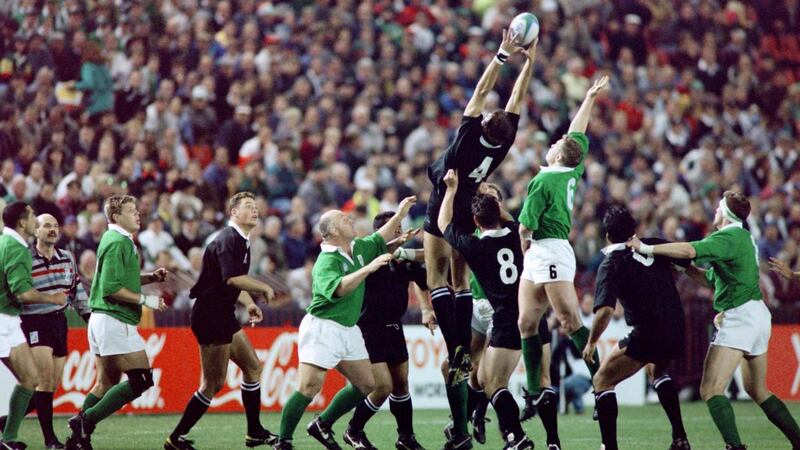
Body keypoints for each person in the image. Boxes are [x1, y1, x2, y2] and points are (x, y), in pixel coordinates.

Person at [628, 191, 800, 450]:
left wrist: (646, 247)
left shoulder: (727, 236)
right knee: (757, 390)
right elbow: (710, 280)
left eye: (719, 206)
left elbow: (688, 250)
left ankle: (735, 447)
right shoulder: (742, 237)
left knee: (710, 389)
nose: (715, 210)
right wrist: (684, 267)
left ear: (727, 213)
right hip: (757, 315)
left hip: (739, 316)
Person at [422, 30, 535, 392]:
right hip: (468, 205)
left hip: (446, 194)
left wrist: (503, 55)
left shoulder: (469, 136)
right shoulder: (504, 145)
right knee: (459, 280)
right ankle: (459, 350)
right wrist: (530, 63)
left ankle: (456, 348)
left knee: (435, 278)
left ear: (486, 123)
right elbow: (518, 95)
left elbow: (482, 92)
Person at [273, 196, 416, 450]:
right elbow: (339, 289)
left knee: (367, 384)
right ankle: (283, 442)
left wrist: (400, 214)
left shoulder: (357, 248)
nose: (349, 218)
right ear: (333, 231)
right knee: (309, 387)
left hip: (349, 329)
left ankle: (322, 424)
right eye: (343, 218)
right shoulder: (326, 261)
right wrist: (368, 269)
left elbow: (379, 239)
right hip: (323, 327)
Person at [516, 76, 609, 418]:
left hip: (549, 250)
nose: (554, 142)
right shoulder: (571, 168)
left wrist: (524, 245)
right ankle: (533, 392)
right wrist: (588, 98)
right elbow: (576, 131)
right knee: (526, 321)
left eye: (556, 142)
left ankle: (602, 385)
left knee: (569, 321)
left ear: (556, 153)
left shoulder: (543, 180)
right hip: (546, 251)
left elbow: (525, 225)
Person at [166, 192, 278, 450]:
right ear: (233, 213)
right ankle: (175, 438)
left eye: (255, 205)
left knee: (252, 366)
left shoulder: (241, 240)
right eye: (248, 206)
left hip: (222, 312)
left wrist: (249, 303)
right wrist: (263, 287)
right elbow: (232, 279)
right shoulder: (229, 239)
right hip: (210, 315)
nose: (254, 209)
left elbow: (230, 281)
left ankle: (254, 432)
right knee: (213, 383)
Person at [438, 169, 532, 450]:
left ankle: (517, 438)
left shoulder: (474, 246)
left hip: (505, 320)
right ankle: (480, 424)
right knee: (481, 379)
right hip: (522, 313)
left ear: (477, 221)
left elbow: (444, 223)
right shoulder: (517, 233)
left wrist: (452, 189)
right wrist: (491, 201)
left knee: (494, 384)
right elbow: (505, 217)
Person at [65, 195, 169, 450]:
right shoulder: (117, 241)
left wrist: (149, 277)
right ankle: (84, 422)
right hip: (114, 319)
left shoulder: (117, 240)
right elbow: (111, 288)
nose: (138, 214)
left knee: (106, 382)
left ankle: (77, 441)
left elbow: (118, 280)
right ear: (115, 217)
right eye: (131, 211)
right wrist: (148, 300)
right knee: (141, 380)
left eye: (137, 209)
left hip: (102, 319)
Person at [582, 206, 691, 450]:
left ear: (607, 235)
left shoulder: (611, 263)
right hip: (676, 326)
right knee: (657, 371)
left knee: (602, 379)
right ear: (635, 230)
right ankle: (680, 439)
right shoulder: (653, 245)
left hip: (649, 333)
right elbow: (688, 256)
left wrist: (591, 342)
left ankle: (609, 447)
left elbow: (605, 310)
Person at [3, 214, 90, 449]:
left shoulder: (66, 258)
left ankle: (5, 422)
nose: (52, 230)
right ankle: (50, 440)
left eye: (55, 226)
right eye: (46, 226)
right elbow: (18, 291)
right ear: (36, 231)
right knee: (43, 380)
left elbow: (76, 290)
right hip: (34, 321)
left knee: (50, 385)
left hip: (59, 322)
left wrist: (88, 315)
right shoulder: (26, 258)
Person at [342, 211, 427, 450]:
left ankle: (406, 437)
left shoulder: (402, 261)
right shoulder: (366, 257)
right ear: (384, 232)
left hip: (393, 325)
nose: (401, 232)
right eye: (396, 228)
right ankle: (353, 430)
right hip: (369, 328)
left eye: (400, 228)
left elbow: (427, 281)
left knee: (401, 384)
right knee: (382, 387)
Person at [0, 202, 68, 450]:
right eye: (32, 218)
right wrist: (53, 298)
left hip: (8, 320)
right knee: (32, 379)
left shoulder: (3, 242)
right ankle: (8, 436)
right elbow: (23, 294)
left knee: (31, 379)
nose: (35, 221)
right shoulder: (18, 248)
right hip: (4, 320)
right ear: (22, 222)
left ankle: (7, 438)